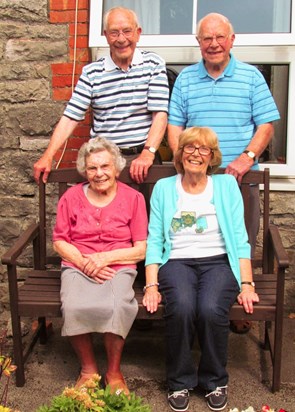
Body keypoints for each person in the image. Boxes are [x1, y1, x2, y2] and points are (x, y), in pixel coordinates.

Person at [167, 12, 279, 334]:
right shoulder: (186, 79)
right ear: (198, 43)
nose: (213, 44)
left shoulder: (251, 77)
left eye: (220, 37)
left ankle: (235, 306)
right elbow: (175, 126)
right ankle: (190, 303)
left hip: (239, 179)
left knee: (238, 239)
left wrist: (246, 157)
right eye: (207, 38)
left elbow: (266, 125)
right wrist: (181, 161)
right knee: (194, 242)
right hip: (193, 180)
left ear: (232, 40)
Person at [143, 126, 259, 411]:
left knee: (209, 308)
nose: (196, 154)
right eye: (190, 148)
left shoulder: (226, 186)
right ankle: (179, 381)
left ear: (212, 156)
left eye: (203, 149)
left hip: (218, 262)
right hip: (177, 262)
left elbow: (240, 240)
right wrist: (151, 285)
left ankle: (214, 380)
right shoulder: (163, 188)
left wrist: (247, 283)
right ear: (180, 155)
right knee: (181, 306)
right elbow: (155, 239)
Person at [53, 136, 148, 393]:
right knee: (73, 305)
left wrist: (106, 258)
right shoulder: (72, 197)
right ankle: (88, 369)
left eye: (105, 166)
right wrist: (84, 263)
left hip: (118, 265)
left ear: (116, 168)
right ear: (85, 170)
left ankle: (114, 372)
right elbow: (60, 241)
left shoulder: (133, 199)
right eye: (92, 168)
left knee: (117, 306)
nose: (99, 173)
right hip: (77, 263)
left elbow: (142, 248)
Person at [34, 6, 169, 185]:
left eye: (127, 31)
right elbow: (70, 117)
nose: (121, 39)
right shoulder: (92, 72)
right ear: (105, 35)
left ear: (138, 33)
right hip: (104, 161)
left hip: (142, 160)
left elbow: (160, 114)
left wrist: (148, 152)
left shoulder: (154, 64)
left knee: (144, 212)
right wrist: (48, 155)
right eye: (114, 33)